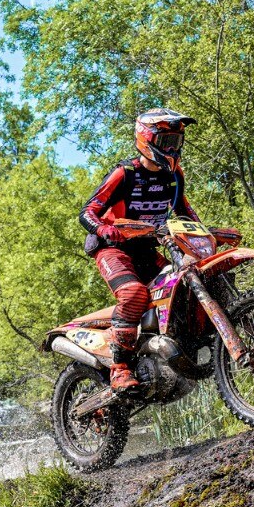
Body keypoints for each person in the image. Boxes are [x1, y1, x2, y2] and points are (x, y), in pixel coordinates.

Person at [79, 108, 202, 391]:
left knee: (188, 281)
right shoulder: (125, 174)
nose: (173, 148)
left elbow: (185, 214)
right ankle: (119, 368)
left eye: (177, 142)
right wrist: (102, 228)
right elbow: (87, 211)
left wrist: (203, 238)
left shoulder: (174, 176)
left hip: (147, 250)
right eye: (167, 141)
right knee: (134, 293)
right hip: (114, 249)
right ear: (148, 140)